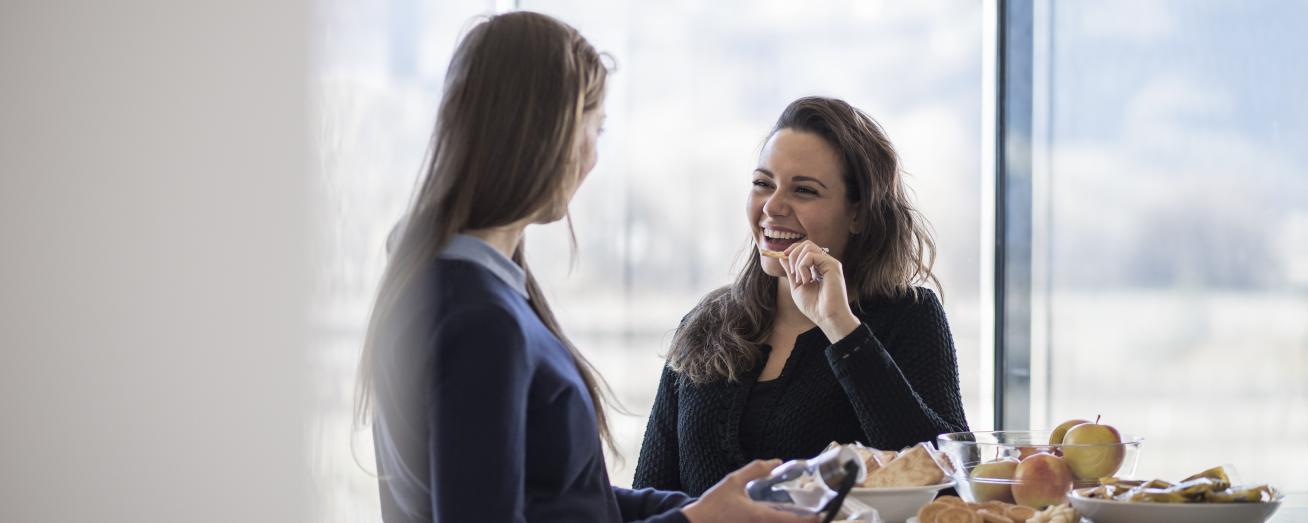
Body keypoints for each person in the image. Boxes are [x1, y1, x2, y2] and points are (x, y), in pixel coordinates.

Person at [355, 12, 817, 523]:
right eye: (593, 128)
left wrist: (707, 509)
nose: (594, 157)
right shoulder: (482, 322)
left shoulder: (445, 289)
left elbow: (563, 502)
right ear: (542, 133)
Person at [633, 97, 970, 497]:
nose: (773, 206)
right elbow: (649, 496)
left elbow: (948, 482)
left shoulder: (908, 316)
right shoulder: (706, 325)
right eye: (763, 183)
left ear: (858, 213)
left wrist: (841, 327)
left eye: (804, 190)